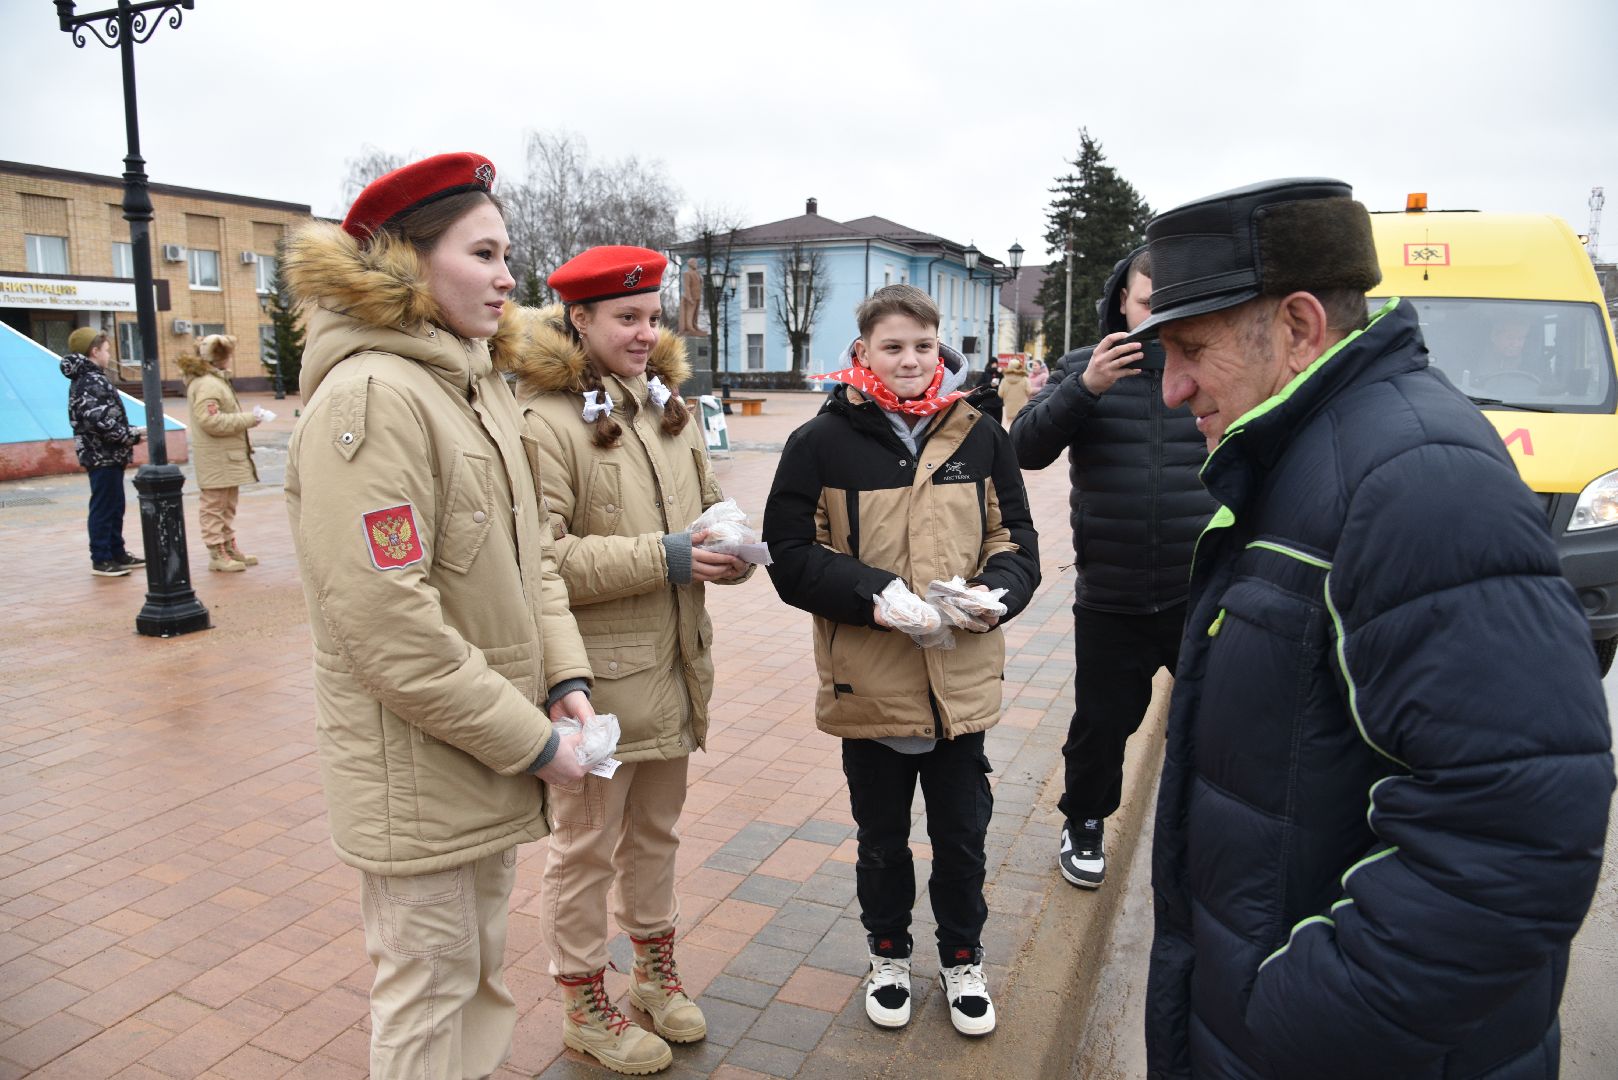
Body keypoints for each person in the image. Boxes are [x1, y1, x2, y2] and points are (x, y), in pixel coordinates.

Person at [1134, 177, 1613, 1079]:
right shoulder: (1310, 455)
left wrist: (1296, 1021)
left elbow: (1519, 832)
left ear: (1302, 328)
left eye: (1192, 349)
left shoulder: (1417, 480)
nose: (1172, 388)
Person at [281, 152, 596, 1080]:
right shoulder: (375, 395)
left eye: (509, 254)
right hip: (423, 771)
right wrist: (533, 744)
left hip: (482, 751)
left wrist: (567, 678)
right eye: (486, 252)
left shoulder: (470, 383)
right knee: (429, 996)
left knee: (475, 984)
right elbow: (388, 627)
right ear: (407, 262)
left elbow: (528, 559)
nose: (510, 277)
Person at [495, 246, 749, 1076]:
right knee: (583, 852)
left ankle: (652, 974)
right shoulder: (544, 419)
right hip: (594, 690)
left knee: (658, 836)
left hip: (673, 671)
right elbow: (541, 561)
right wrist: (671, 556)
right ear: (580, 320)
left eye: (652, 316)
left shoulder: (664, 406)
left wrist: (731, 543)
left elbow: (706, 504)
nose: (646, 333)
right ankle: (582, 1001)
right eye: (626, 319)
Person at [763, 284, 1040, 1038]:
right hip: (871, 684)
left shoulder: (980, 433)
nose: (910, 359)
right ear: (863, 352)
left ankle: (961, 958)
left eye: (922, 345)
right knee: (881, 839)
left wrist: (996, 595)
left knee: (962, 838)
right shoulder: (819, 442)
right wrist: (874, 592)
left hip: (961, 683)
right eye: (893, 347)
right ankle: (887, 953)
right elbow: (789, 557)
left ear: (939, 347)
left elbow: (1015, 539)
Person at [1011, 248, 1215, 890]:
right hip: (1112, 593)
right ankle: (1085, 822)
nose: (1157, 315)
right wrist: (1084, 386)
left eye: (1169, 302)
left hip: (1201, 591)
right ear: (1122, 303)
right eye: (1147, 301)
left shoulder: (1214, 368)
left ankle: (1211, 830)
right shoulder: (1083, 369)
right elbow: (1024, 448)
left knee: (1222, 719)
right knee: (1101, 724)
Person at [60, 328, 144, 577]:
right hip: (101, 454)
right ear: (94, 351)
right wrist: (131, 436)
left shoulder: (93, 377)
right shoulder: (89, 380)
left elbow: (105, 418)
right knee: (104, 506)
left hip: (109, 453)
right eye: (106, 350)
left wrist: (130, 431)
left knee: (114, 505)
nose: (109, 354)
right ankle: (102, 558)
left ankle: (116, 552)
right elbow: (99, 421)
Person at [178, 334, 261, 572]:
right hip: (217, 457)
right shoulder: (208, 384)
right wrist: (249, 419)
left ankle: (228, 546)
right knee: (215, 505)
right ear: (219, 357)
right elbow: (210, 421)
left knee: (227, 504)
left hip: (225, 457)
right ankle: (217, 552)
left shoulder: (214, 381)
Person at [996, 356, 1030, 425]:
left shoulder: (1004, 380)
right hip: (1022, 409)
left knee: (1008, 426)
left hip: (1009, 410)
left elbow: (1000, 394)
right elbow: (1029, 391)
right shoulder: (1024, 379)